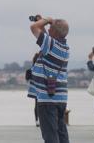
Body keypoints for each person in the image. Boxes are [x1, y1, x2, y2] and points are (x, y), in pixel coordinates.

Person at [28, 15, 70, 143]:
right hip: (61, 98)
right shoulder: (64, 47)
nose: (48, 28)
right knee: (61, 134)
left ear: (55, 32)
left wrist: (47, 19)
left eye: (50, 27)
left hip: (47, 100)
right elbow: (47, 40)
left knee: (50, 137)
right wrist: (48, 24)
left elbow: (33, 27)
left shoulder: (51, 45)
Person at [27, 51, 41, 127]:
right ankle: (40, 120)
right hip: (41, 89)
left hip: (34, 90)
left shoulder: (31, 69)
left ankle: (37, 121)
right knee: (41, 105)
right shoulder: (39, 68)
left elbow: (27, 79)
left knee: (36, 105)